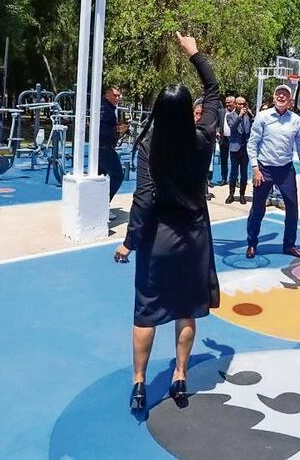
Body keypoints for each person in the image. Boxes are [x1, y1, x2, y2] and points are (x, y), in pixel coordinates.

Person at [113, 34, 221, 411]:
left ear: (158, 113)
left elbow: (143, 200)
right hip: (193, 239)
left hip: (159, 240)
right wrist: (195, 53)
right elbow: (213, 91)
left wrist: (129, 242)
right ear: (187, 111)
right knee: (185, 310)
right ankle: (180, 376)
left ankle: (140, 383)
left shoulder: (149, 146)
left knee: (146, 311)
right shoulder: (203, 139)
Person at [245, 84, 300, 259]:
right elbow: (252, 144)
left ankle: (289, 245)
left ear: (290, 100)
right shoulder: (263, 116)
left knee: (292, 208)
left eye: (285, 94)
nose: (281, 96)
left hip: (286, 170)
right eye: (278, 93)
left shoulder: (296, 120)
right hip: (264, 169)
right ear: (274, 98)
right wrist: (255, 168)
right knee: (258, 209)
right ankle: (252, 243)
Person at [99, 85, 124, 214]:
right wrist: (119, 129)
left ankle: (97, 205)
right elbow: (103, 130)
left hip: (101, 149)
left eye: (119, 95)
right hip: (105, 150)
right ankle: (103, 204)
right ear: (106, 95)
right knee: (118, 175)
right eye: (115, 95)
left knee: (99, 178)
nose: (117, 98)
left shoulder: (107, 108)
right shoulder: (105, 110)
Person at [225, 96, 252, 205]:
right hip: (235, 148)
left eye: (243, 104)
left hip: (245, 148)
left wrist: (251, 116)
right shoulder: (230, 116)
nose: (242, 106)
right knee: (233, 172)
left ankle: (242, 194)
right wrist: (239, 116)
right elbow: (232, 127)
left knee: (244, 173)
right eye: (239, 104)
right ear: (235, 104)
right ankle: (231, 194)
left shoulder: (247, 116)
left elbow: (250, 129)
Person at [216, 96, 235, 186]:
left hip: (235, 140)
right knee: (224, 160)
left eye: (229, 102)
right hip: (224, 139)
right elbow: (217, 124)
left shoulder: (238, 113)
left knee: (235, 161)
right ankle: (224, 178)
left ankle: (235, 179)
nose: (227, 104)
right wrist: (217, 132)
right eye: (226, 102)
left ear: (234, 103)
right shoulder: (221, 112)